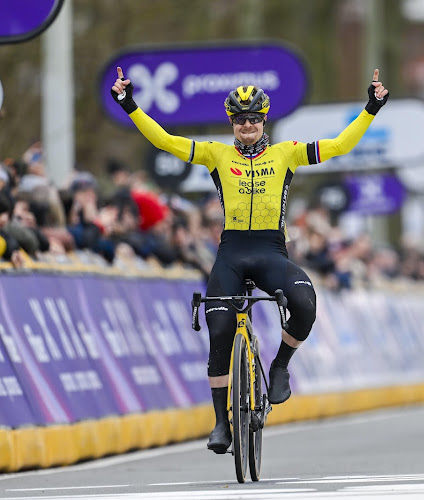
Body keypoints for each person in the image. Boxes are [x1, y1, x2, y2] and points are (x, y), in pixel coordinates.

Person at [111, 66, 389, 453]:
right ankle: (221, 424)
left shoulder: (286, 154)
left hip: (271, 251)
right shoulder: (215, 155)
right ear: (232, 122)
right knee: (220, 330)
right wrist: (129, 104)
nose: (247, 125)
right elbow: (165, 141)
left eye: (254, 119)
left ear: (263, 121)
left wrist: (371, 108)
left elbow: (340, 146)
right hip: (232, 253)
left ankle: (279, 366)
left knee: (306, 304)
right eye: (240, 119)